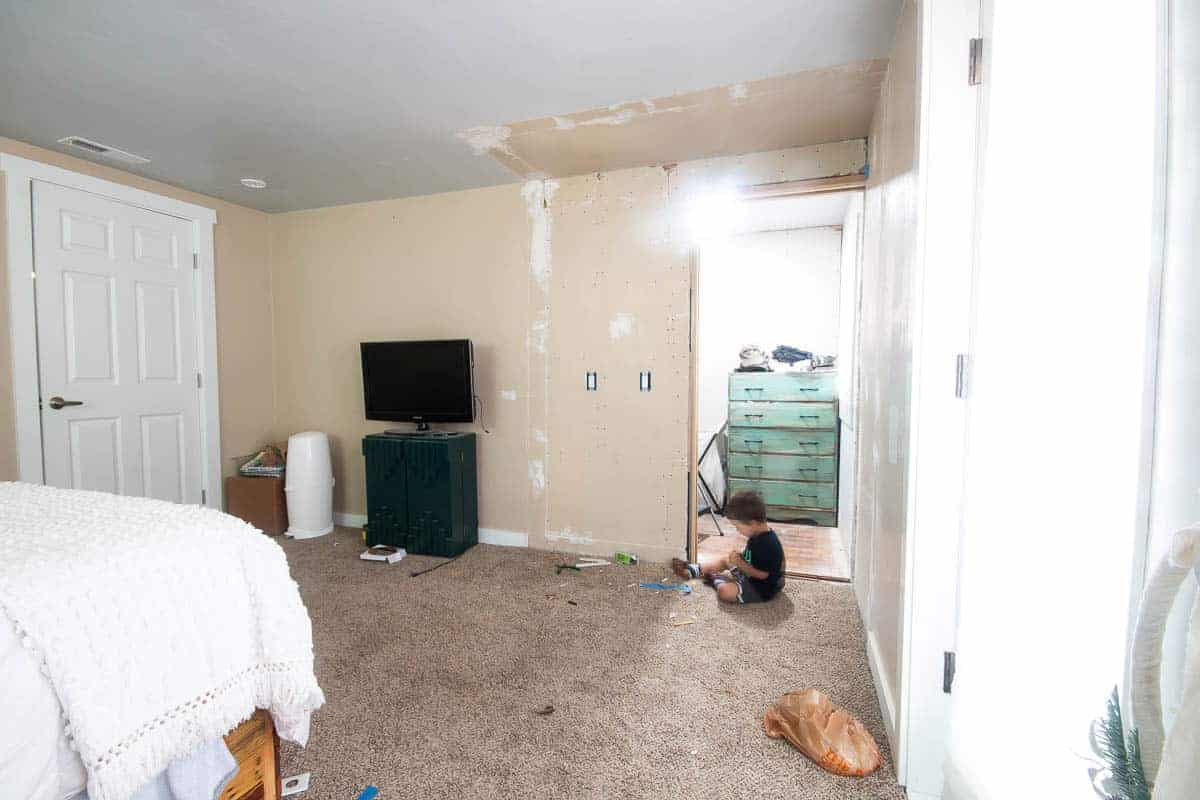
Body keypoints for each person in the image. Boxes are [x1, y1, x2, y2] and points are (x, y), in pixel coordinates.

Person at [672, 490, 786, 604]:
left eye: (737, 526)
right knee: (724, 560)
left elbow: (763, 575)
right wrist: (740, 557)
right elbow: (752, 558)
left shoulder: (768, 544)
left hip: (762, 588)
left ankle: (715, 578)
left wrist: (740, 563)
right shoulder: (756, 534)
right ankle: (691, 570)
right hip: (749, 574)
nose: (737, 530)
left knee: (725, 592)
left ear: (753, 523)